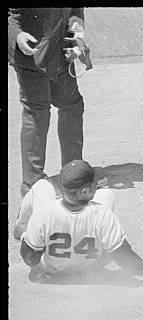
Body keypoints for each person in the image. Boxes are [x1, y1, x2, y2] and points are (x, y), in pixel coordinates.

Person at [15, 160, 143, 282]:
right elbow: (123, 256)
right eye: (94, 183)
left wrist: (25, 237)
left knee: (42, 186)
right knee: (106, 194)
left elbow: (30, 259)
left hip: (51, 269)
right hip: (87, 269)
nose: (97, 184)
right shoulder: (102, 214)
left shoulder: (43, 215)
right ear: (85, 192)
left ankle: (20, 226)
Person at [8, 8, 92, 198]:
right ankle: (32, 185)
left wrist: (76, 32)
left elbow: (75, 12)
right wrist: (17, 35)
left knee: (72, 106)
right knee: (36, 111)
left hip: (61, 55)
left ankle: (73, 174)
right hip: (31, 55)